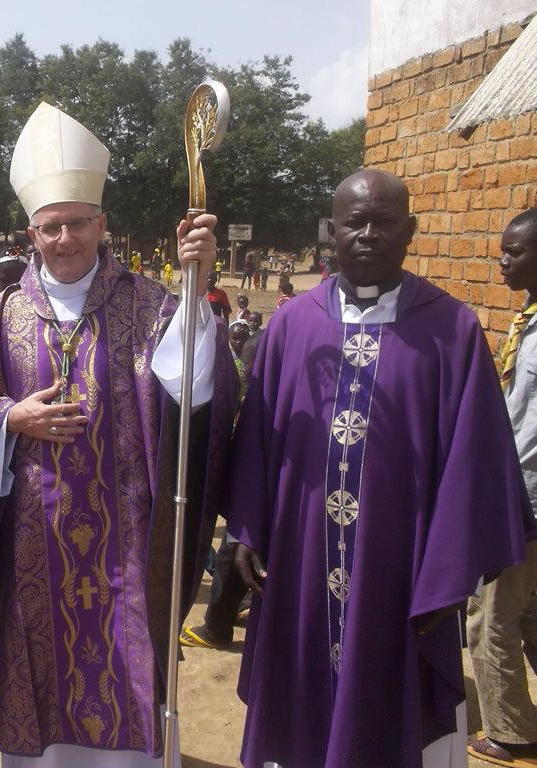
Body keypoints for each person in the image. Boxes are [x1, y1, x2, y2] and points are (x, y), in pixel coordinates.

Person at [0, 101, 237, 767]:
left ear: (102, 224)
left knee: (126, 668)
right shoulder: (0, 316)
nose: (65, 238)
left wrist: (197, 296)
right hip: (32, 541)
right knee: (38, 674)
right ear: (32, 233)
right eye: (50, 227)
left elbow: (194, 396)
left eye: (78, 223)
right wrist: (9, 418)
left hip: (125, 543)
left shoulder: (152, 305)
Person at [228, 169, 533, 767]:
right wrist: (247, 529)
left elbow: (475, 463)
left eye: (384, 222)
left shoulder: (451, 330)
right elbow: (258, 441)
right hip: (301, 565)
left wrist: (450, 575)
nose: (368, 233)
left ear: (410, 230)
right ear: (333, 231)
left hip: (400, 573)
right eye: (355, 222)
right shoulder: (291, 325)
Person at [467, 207, 537, 765]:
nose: (503, 262)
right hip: (517, 493)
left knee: (489, 617)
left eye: (514, 252)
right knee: (529, 614)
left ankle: (510, 733)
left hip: (524, 501)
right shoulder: (527, 320)